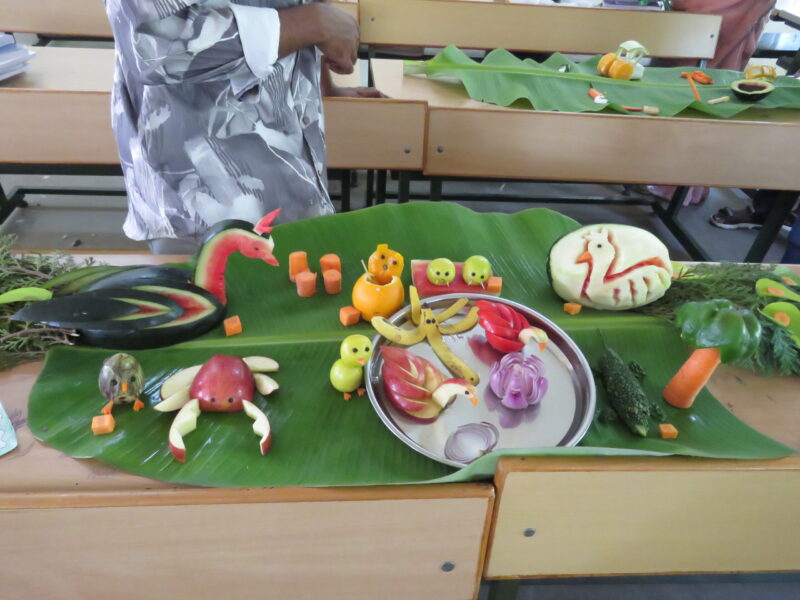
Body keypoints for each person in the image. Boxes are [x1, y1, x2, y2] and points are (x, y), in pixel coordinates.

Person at [104, 1, 383, 253]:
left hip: (296, 184)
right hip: (202, 204)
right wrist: (312, 23)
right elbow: (156, 43)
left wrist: (320, 80)